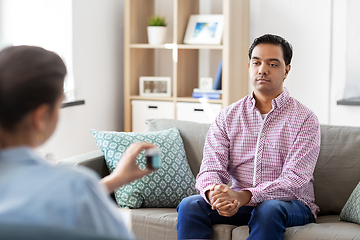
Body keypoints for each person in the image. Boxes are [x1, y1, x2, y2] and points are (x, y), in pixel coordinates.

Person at [0, 45, 155, 239]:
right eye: (59, 104)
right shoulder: (76, 187)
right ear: (40, 118)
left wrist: (115, 180)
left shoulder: (75, 190)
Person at [176, 34, 321, 240]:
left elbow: (294, 180)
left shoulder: (305, 119)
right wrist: (215, 195)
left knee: (269, 209)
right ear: (249, 67)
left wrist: (245, 196)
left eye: (273, 64)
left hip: (291, 204)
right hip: (238, 202)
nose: (262, 69)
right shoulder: (227, 116)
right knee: (190, 205)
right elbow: (210, 169)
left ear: (286, 70)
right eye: (256, 62)